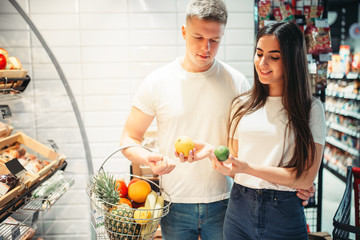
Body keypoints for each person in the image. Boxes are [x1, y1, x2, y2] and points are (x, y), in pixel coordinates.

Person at [120, 1, 315, 239]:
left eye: (215, 40)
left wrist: (295, 183)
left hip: (226, 203)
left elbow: (255, 149)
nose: (206, 48)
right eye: (198, 37)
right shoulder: (157, 82)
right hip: (175, 203)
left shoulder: (238, 83)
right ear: (184, 32)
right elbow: (129, 138)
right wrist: (148, 158)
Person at [193, 21, 326, 239]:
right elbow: (233, 164)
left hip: (283, 214)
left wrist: (247, 167)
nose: (262, 63)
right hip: (238, 209)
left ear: (292, 61)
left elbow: (303, 179)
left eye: (274, 57)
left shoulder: (310, 109)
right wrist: (210, 151)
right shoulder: (241, 105)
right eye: (259, 53)